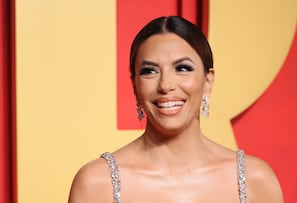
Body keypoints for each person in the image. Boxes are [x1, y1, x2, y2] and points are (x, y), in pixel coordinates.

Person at [68, 16, 283, 203]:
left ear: (208, 81)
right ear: (134, 85)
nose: (166, 85)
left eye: (182, 68)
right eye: (150, 71)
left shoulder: (255, 180)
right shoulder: (96, 183)